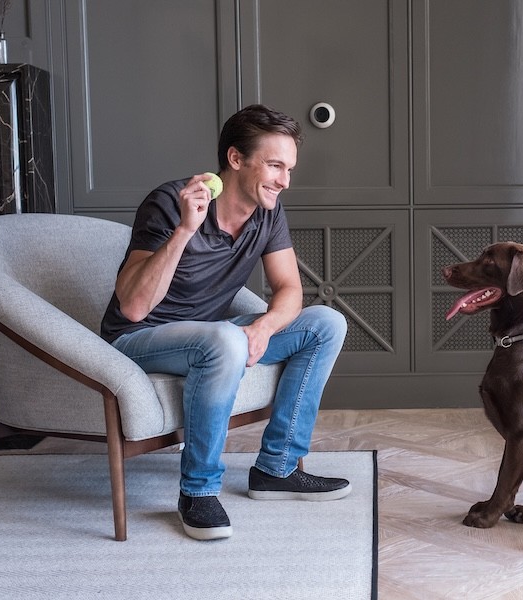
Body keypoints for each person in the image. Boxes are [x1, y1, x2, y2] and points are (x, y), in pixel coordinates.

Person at [100, 105, 350, 541]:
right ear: (236, 159)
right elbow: (134, 308)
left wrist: (264, 327)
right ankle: (197, 492)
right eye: (274, 165)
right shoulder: (168, 204)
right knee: (224, 340)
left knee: (325, 322)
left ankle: (276, 469)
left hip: (212, 337)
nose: (284, 180)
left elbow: (289, 288)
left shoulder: (268, 211)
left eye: (288, 168)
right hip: (139, 339)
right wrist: (184, 231)